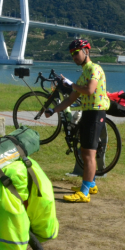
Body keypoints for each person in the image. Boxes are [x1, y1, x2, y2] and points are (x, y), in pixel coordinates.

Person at [44, 38, 109, 203]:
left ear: (86, 51)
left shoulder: (94, 69)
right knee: (85, 150)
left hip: (95, 113)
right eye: (71, 54)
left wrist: (72, 84)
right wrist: (53, 110)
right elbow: (71, 99)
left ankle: (84, 192)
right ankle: (91, 184)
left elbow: (89, 89)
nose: (74, 56)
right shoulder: (85, 72)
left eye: (76, 52)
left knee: (88, 153)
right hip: (88, 113)